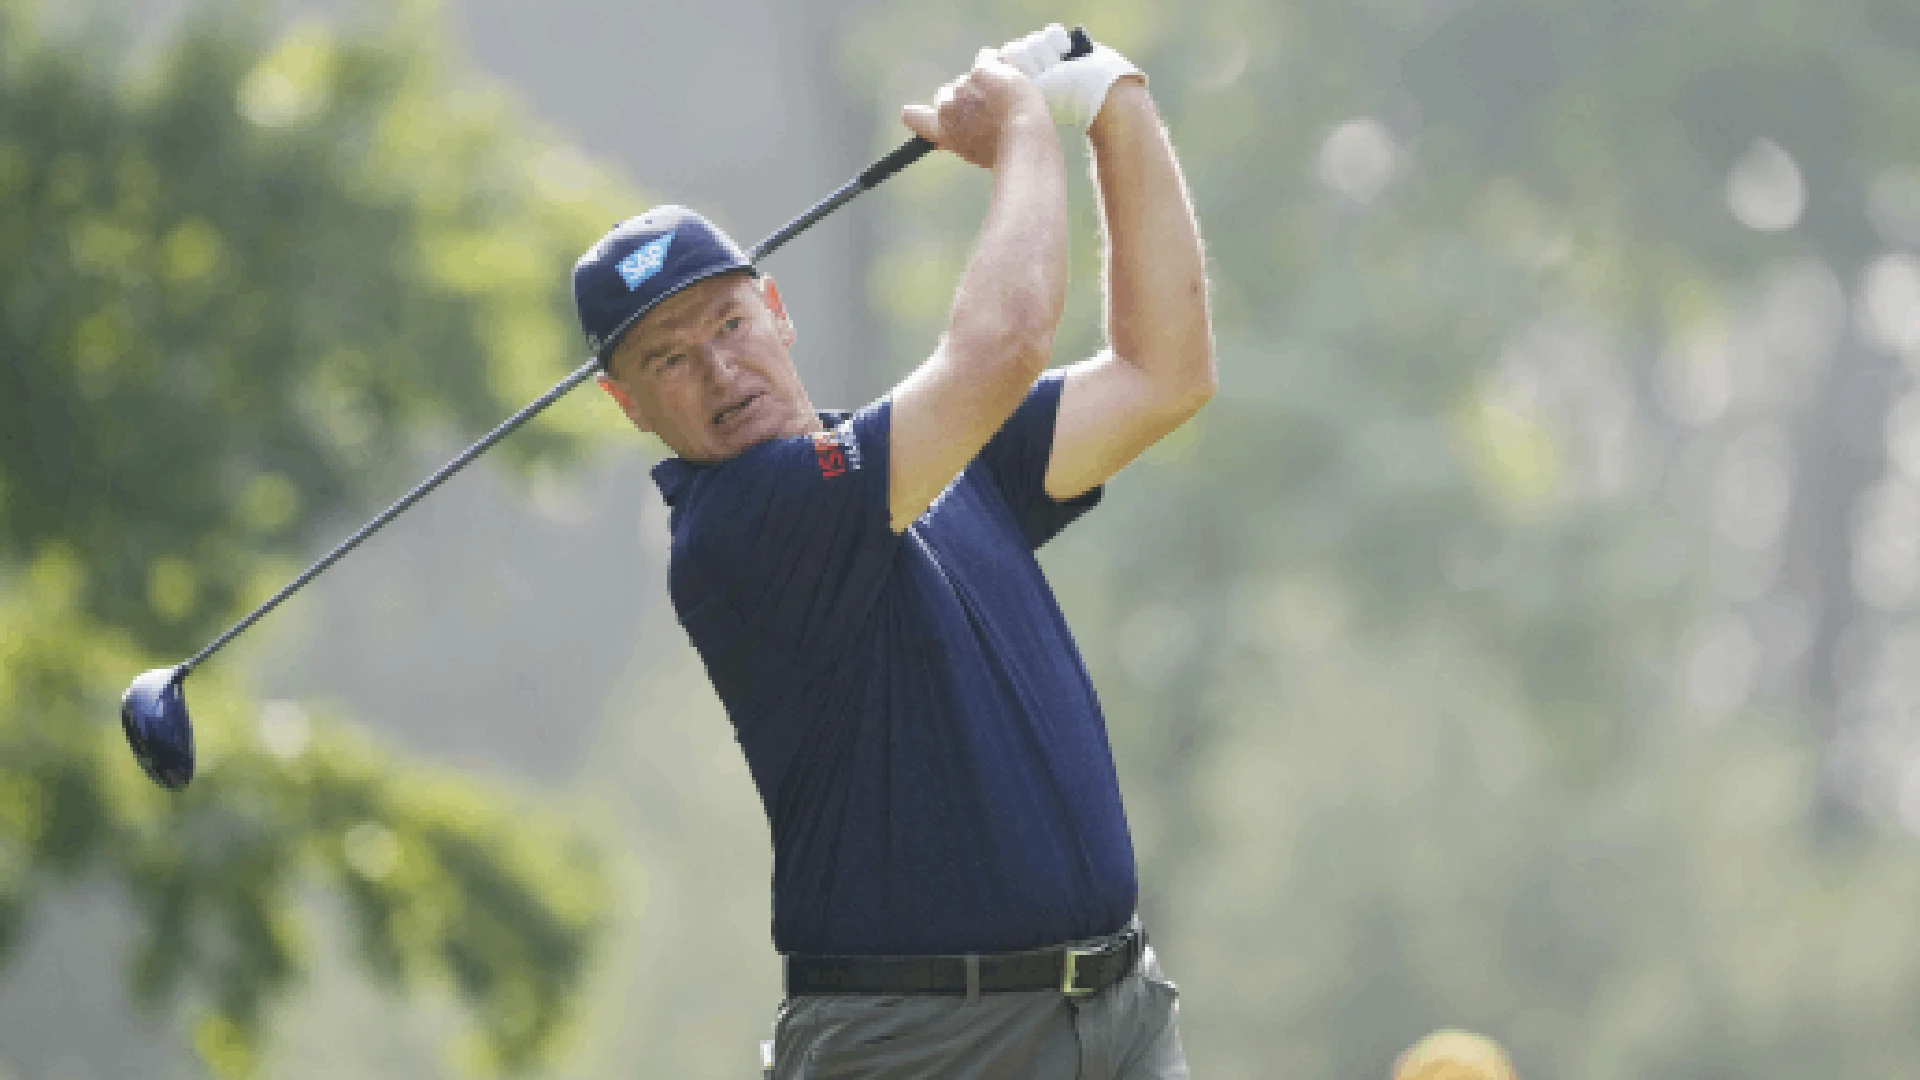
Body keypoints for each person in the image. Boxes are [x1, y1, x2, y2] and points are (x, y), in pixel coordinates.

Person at [571, 24, 1212, 1080]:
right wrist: (1021, 128)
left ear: (775, 309)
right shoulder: (738, 526)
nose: (720, 372)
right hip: (920, 1045)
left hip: (1118, 1014)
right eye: (669, 360)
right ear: (626, 403)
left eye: (728, 324)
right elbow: (1003, 346)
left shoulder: (926, 458)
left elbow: (1164, 374)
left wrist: (1112, 100)